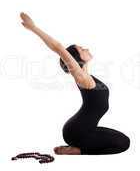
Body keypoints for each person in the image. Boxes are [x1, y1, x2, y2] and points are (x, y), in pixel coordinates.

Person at [20, 12, 130, 155]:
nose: (86, 49)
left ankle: (78, 146)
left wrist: (80, 61)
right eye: (82, 49)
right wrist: (33, 28)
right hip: (77, 133)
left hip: (81, 128)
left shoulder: (86, 75)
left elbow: (78, 64)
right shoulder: (84, 79)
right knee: (124, 144)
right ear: (75, 59)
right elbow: (59, 48)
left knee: (123, 139)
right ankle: (77, 150)